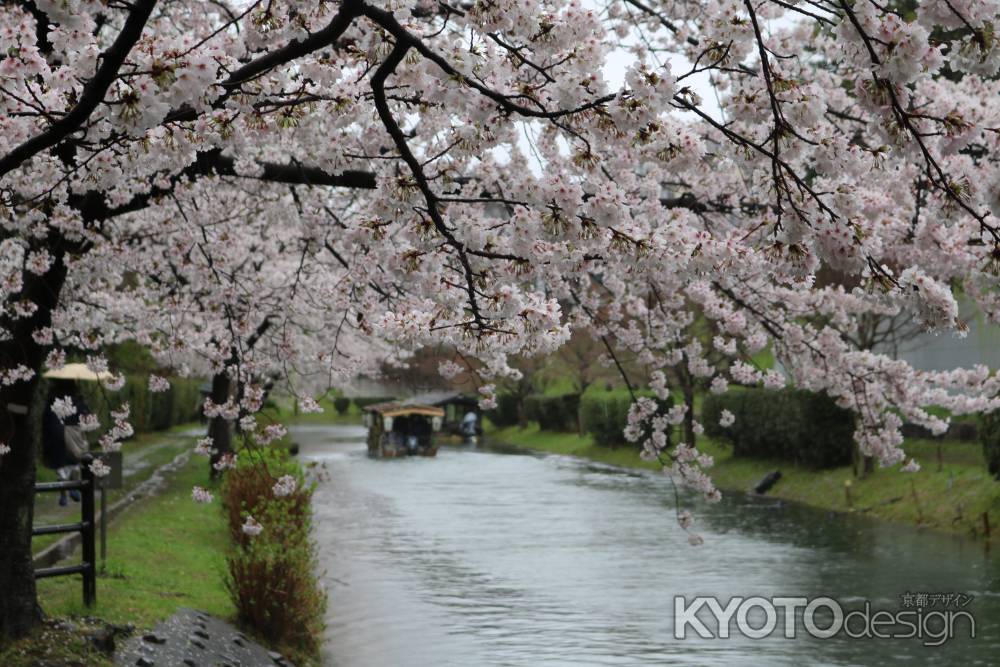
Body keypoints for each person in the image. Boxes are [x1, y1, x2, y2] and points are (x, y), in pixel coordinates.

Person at [41, 379, 92, 506]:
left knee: (61, 466)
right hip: (72, 433)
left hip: (55, 434)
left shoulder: (52, 398)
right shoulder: (75, 399)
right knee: (74, 462)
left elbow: (46, 419)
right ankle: (73, 487)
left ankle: (64, 490)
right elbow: (85, 417)